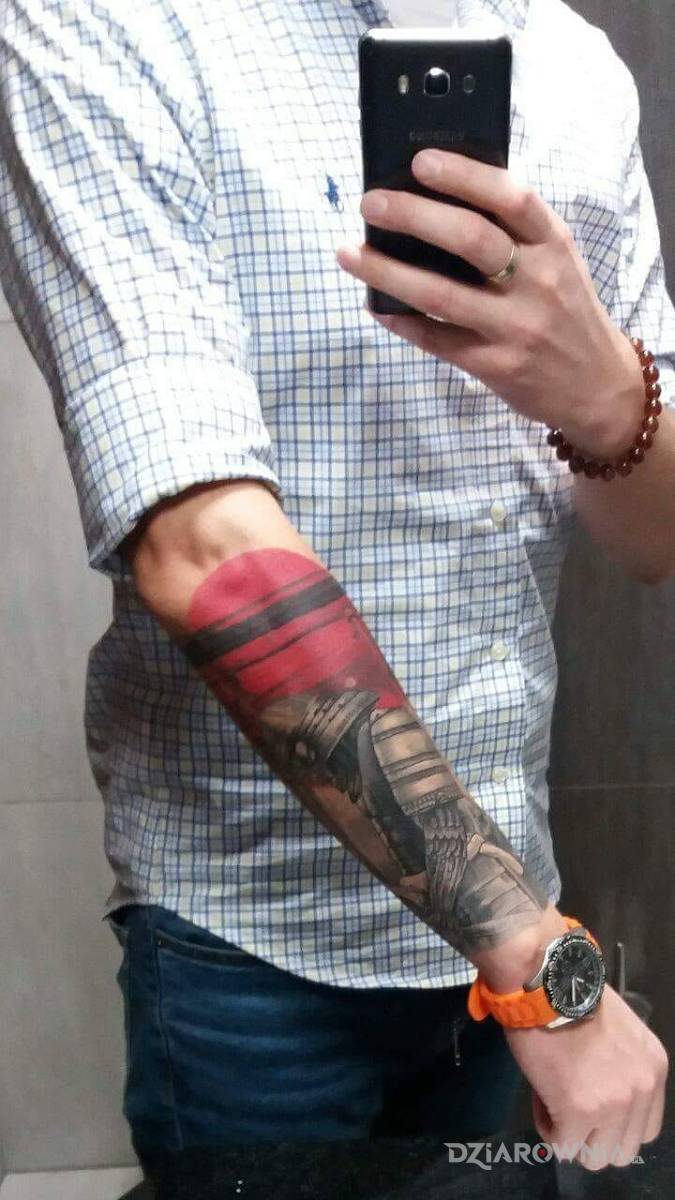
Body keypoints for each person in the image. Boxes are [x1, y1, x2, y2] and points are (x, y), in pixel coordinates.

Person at [0, 0, 671, 1177]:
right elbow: (202, 551)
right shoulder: (103, 23)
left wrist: (610, 398)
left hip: (513, 901)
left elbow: (653, 543)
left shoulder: (576, 68)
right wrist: (547, 974)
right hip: (253, 944)